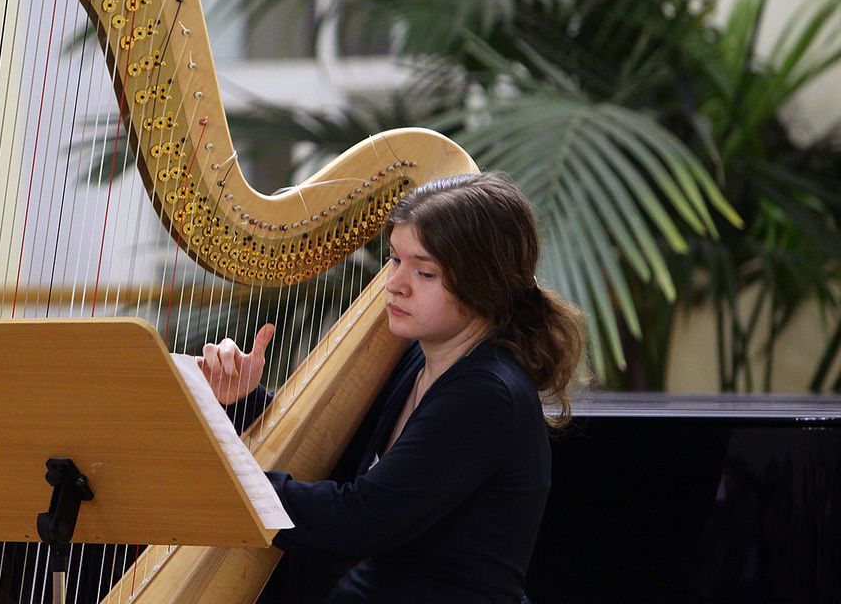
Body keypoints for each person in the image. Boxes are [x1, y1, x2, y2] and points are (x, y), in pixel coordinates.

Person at [198, 172, 584, 603]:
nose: (395, 284)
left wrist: (219, 481)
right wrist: (244, 398)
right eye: (395, 260)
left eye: (425, 272)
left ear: (485, 282)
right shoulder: (417, 359)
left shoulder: (485, 394)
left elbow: (356, 520)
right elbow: (331, 453)